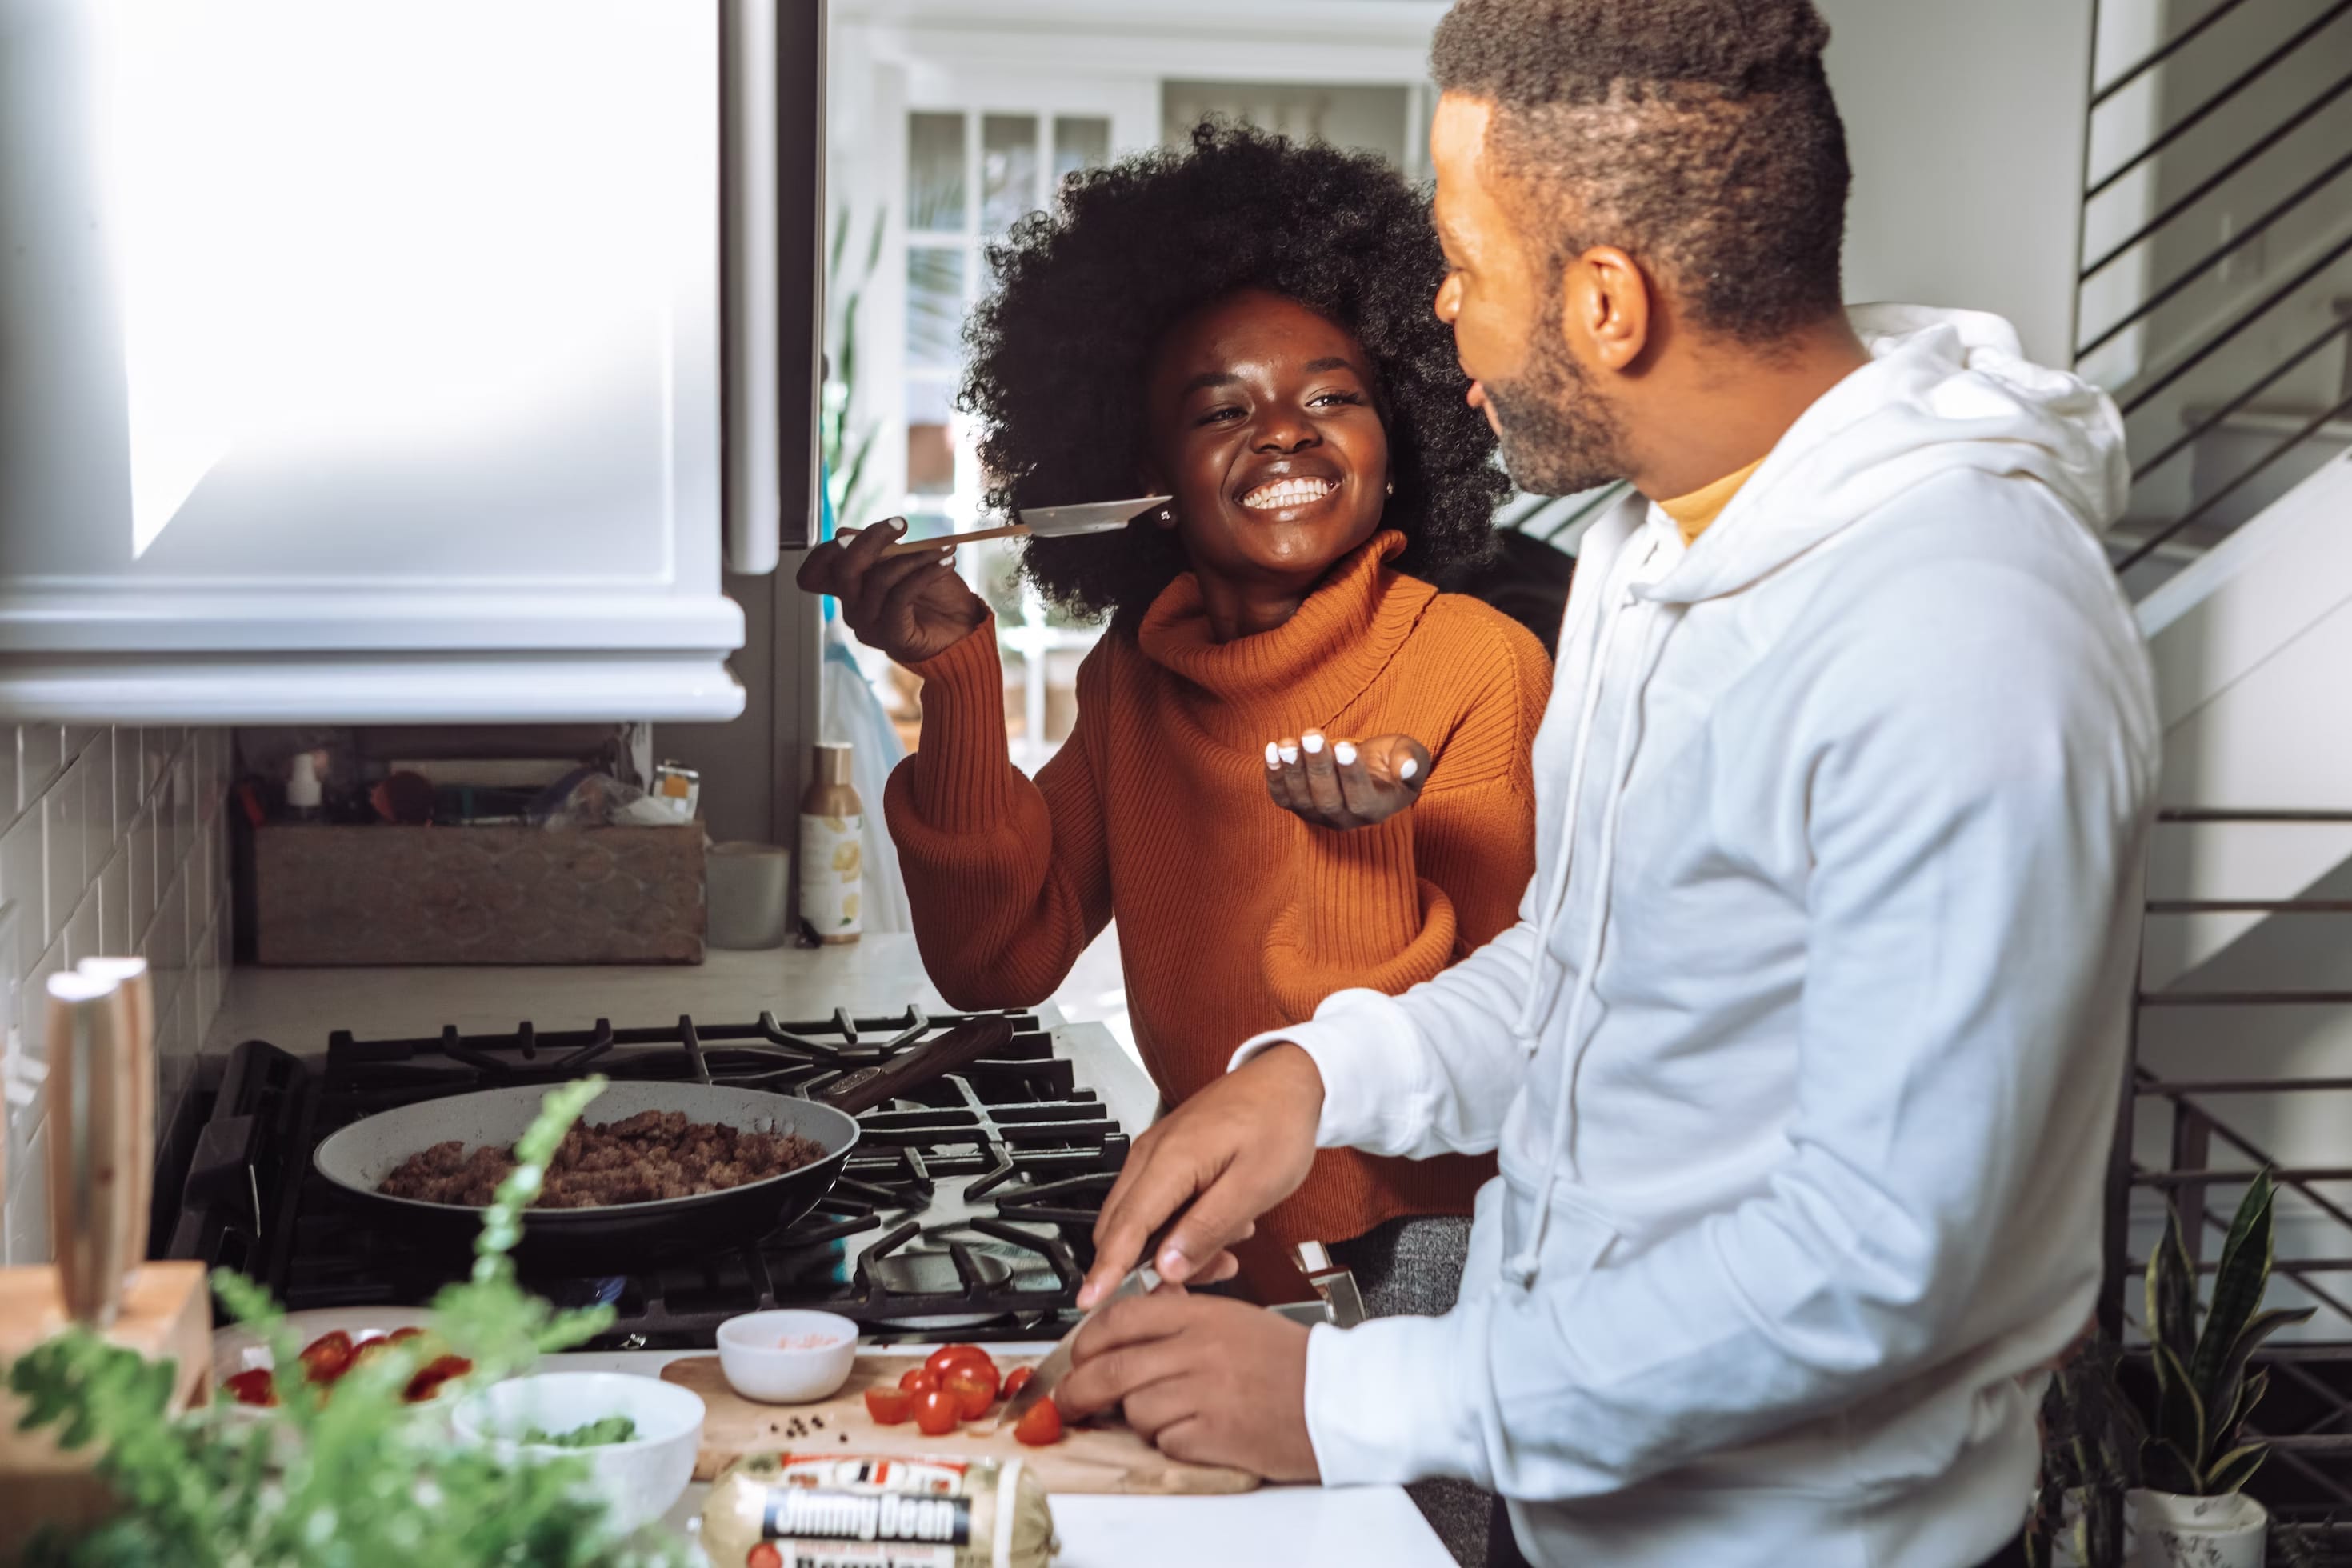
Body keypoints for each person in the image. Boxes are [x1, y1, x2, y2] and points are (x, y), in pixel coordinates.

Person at [1055, 5, 2161, 1567]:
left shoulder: (1964, 634)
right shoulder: (1657, 545)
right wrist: (1317, 1077)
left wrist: (1349, 1396)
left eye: (1465, 261)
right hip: (1573, 1503)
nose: (1438, 316)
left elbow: (1871, 1262)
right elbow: (1603, 968)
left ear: (1606, 301)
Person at [797, 125, 1551, 1317]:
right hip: (1212, 1232)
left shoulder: (1478, 665)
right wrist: (956, 682)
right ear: (1142, 475)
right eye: (1221, 411)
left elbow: (1506, 1048)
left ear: (1400, 443)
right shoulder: (1136, 678)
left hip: (1427, 1263)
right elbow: (999, 961)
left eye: (1332, 397)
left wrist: (1355, 846)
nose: (1286, 429)